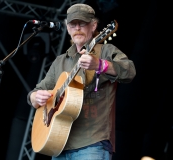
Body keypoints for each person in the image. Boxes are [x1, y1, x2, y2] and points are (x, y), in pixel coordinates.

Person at [27, 3, 136, 160]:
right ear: (67, 27)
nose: (77, 27)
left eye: (82, 23)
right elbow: (35, 92)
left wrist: (100, 64)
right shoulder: (60, 61)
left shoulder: (106, 51)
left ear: (93, 26)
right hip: (59, 144)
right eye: (73, 24)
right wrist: (35, 97)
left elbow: (130, 71)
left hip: (92, 143)